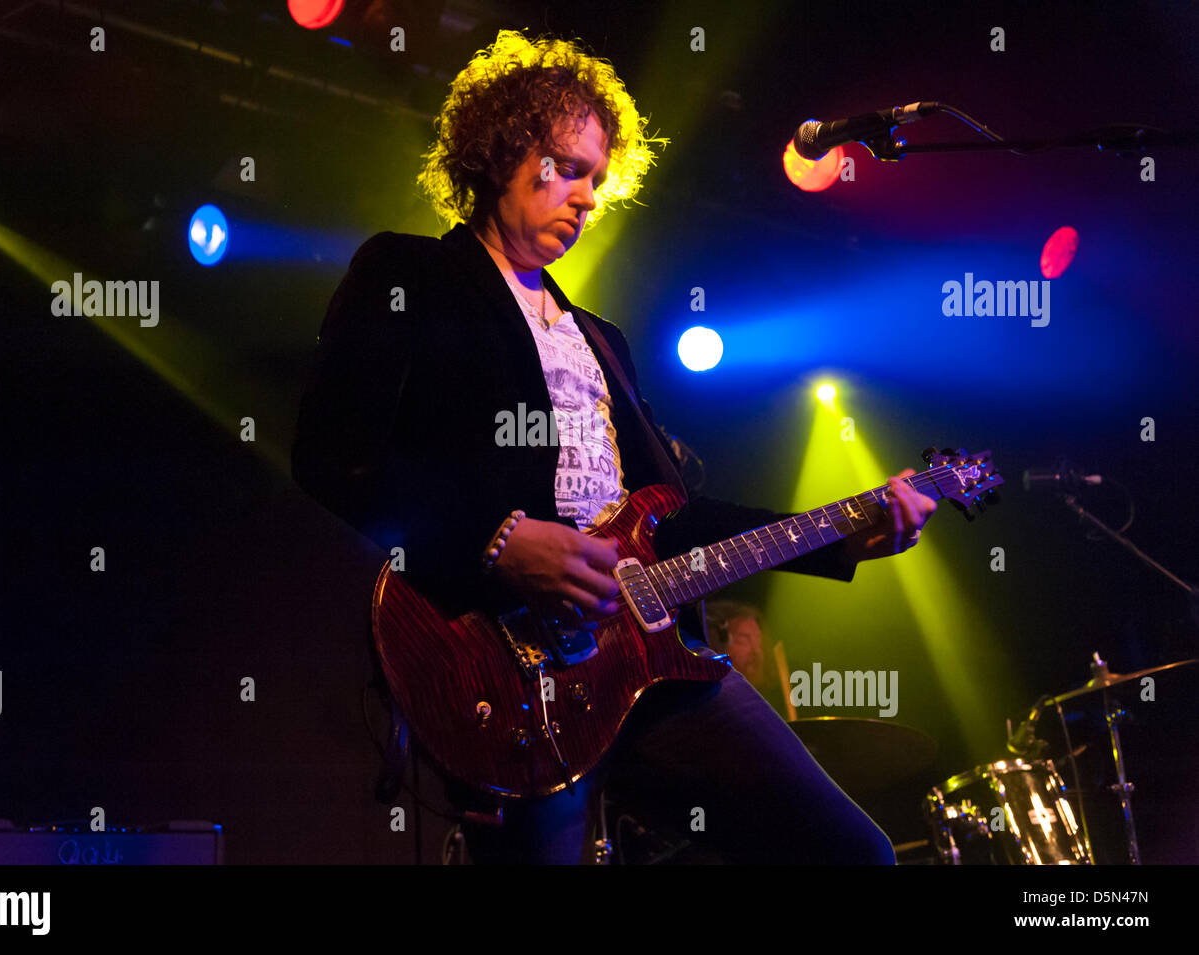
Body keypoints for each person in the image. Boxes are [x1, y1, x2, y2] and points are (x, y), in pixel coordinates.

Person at [290, 29, 936, 863]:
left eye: (599, 177)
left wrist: (842, 529)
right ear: (499, 152)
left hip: (650, 657)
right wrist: (497, 542)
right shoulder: (410, 274)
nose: (588, 197)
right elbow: (333, 453)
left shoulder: (606, 342)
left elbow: (676, 517)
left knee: (853, 852)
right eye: (568, 167)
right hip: (503, 660)